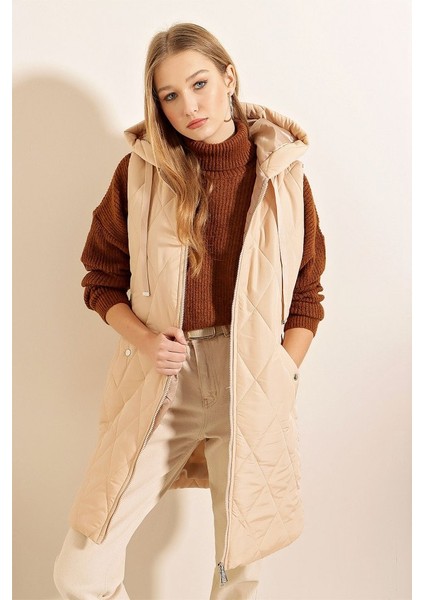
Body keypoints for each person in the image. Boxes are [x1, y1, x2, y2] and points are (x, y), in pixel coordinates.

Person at [53, 21, 326, 600]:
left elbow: (307, 294)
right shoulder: (139, 173)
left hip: (250, 378)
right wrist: (146, 341)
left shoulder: (283, 175)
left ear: (229, 78)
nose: (189, 107)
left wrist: (281, 369)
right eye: (170, 95)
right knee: (80, 570)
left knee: (237, 571)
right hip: (165, 378)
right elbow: (101, 279)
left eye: (199, 84)